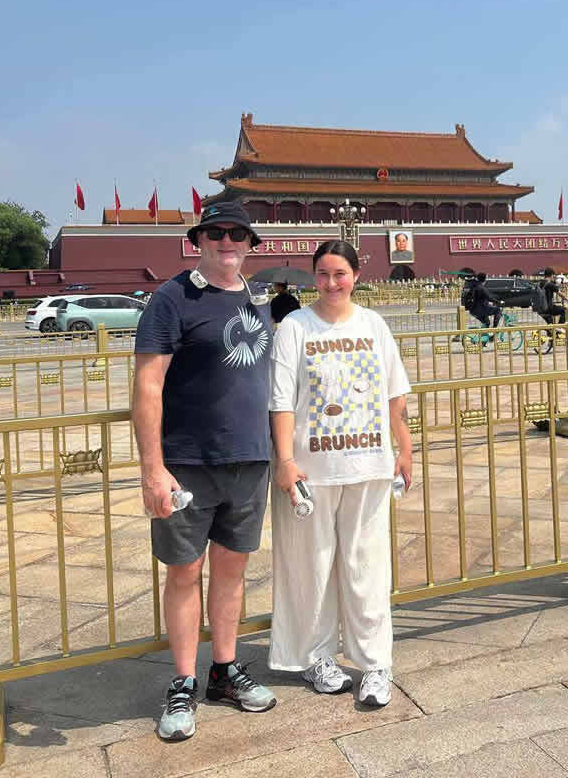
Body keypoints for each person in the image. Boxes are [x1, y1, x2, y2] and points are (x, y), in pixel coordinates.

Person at [132, 201, 277, 743]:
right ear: (199, 240)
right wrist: (153, 468)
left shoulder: (256, 298)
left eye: (237, 234)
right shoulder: (172, 299)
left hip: (249, 460)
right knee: (185, 573)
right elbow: (148, 386)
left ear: (249, 244)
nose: (227, 241)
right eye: (216, 233)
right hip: (188, 463)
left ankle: (225, 670)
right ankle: (183, 681)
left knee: (233, 574)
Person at [268, 240, 413, 707]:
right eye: (324, 274)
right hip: (311, 469)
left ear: (356, 275)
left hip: (368, 465)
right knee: (311, 566)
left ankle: (375, 664)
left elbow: (395, 395)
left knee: (365, 565)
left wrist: (405, 448)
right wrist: (286, 461)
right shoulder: (295, 326)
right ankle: (316, 657)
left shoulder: (373, 325)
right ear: (314, 276)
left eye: (340, 274)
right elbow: (281, 400)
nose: (332, 283)